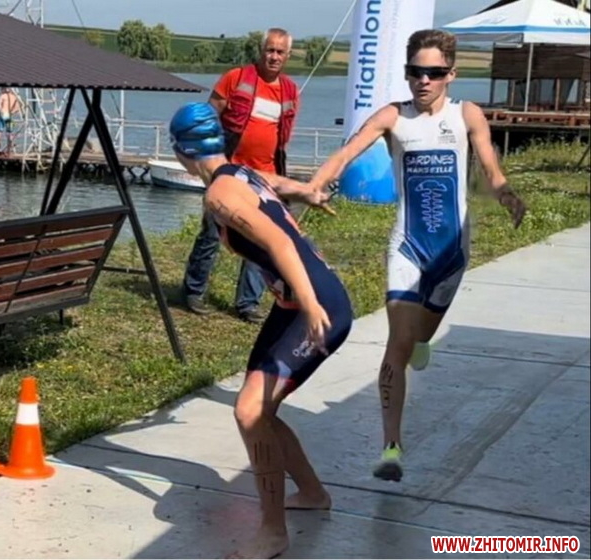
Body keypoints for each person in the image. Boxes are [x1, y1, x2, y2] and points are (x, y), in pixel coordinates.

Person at [307, 29, 527, 483]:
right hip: (407, 247)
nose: (423, 80)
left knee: (420, 337)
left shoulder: (466, 115)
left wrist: (506, 195)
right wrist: (315, 183)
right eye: (415, 72)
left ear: (451, 74)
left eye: (434, 73)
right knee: (399, 343)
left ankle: (424, 337)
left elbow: (490, 169)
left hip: (451, 253)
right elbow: (347, 153)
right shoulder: (394, 116)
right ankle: (391, 446)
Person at [169, 101, 353, 559]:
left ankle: (272, 533)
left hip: (315, 306)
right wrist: (308, 192)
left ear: (181, 152)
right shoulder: (240, 174)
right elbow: (276, 184)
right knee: (261, 411)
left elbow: (279, 241)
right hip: (295, 305)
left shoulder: (219, 197)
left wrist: (309, 304)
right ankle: (312, 493)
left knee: (250, 412)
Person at [181, 28, 300, 323]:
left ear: (287, 55)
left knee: (260, 239)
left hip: (265, 177)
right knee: (212, 233)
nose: (274, 57)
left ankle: (248, 303)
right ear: (261, 51)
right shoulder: (235, 78)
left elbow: (283, 136)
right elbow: (207, 117)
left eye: (280, 52)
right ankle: (193, 290)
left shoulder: (290, 90)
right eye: (270, 50)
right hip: (228, 171)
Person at [0, 87, 23, 156]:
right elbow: (18, 107)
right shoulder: (14, 97)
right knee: (9, 133)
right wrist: (12, 112)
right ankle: (8, 151)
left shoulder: (3, 96)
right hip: (9, 115)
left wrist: (1, 112)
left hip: (3, 114)